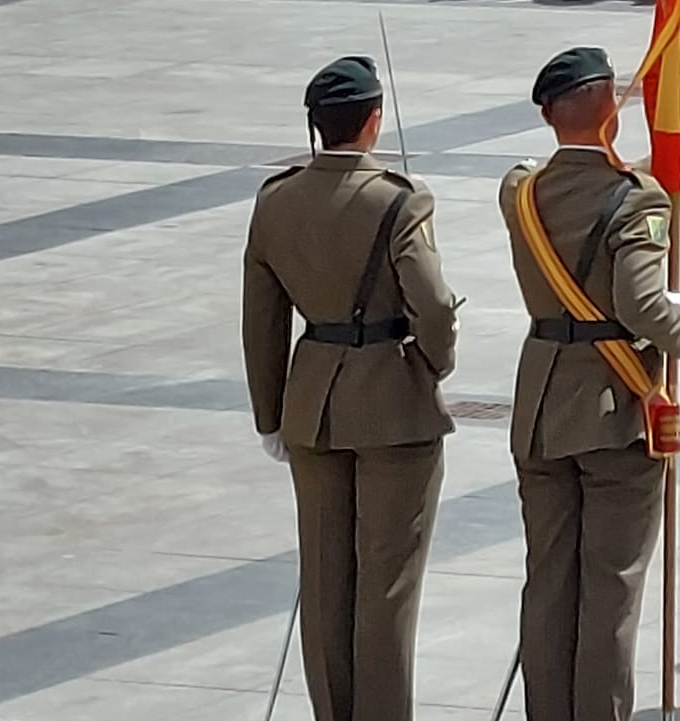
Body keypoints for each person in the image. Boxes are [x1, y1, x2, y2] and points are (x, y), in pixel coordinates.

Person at [241, 55, 460, 721]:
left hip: (312, 407)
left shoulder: (276, 201)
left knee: (326, 580)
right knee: (386, 587)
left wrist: (269, 414)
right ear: (372, 121)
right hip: (392, 403)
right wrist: (434, 363)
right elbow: (435, 306)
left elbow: (262, 319)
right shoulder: (399, 198)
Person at [497, 46, 680, 721]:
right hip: (613, 410)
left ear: (548, 113)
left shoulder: (518, 189)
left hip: (542, 406)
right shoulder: (636, 198)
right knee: (610, 589)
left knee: (549, 583)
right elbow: (641, 304)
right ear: (612, 108)